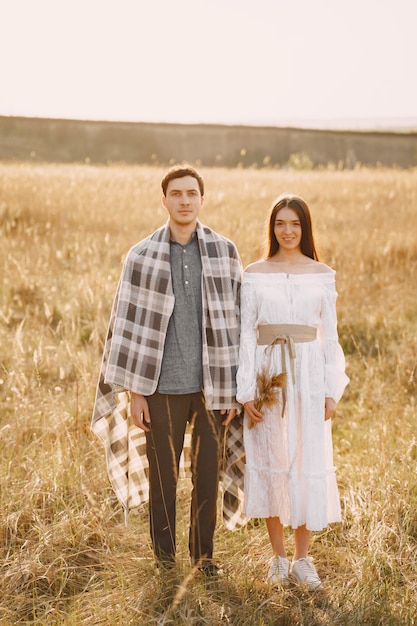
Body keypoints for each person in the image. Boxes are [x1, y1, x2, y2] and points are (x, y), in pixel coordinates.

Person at [91, 164, 243, 575]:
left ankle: (203, 559)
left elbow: (239, 321)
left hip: (213, 387)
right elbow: (122, 326)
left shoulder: (225, 251)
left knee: (207, 477)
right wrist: (135, 393)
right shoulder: (141, 256)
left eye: (191, 193)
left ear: (202, 199)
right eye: (176, 194)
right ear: (164, 200)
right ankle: (164, 562)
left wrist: (235, 390)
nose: (184, 200)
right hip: (160, 387)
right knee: (164, 479)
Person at [236, 193, 349, 590]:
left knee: (304, 459)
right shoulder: (254, 272)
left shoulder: (322, 273)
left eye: (295, 224)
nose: (287, 231)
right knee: (271, 457)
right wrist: (245, 388)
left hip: (309, 374)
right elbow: (246, 335)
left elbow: (331, 335)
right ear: (272, 228)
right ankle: (278, 558)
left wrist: (332, 388)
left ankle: (303, 559)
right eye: (280, 224)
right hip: (269, 375)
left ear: (305, 228)